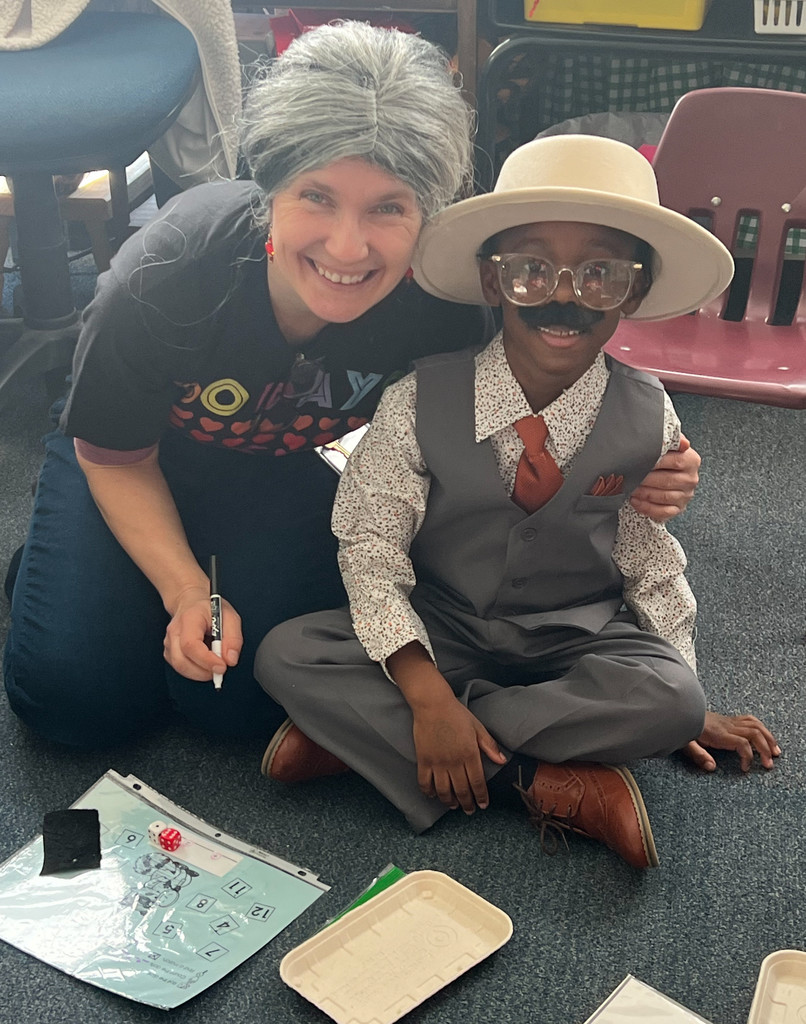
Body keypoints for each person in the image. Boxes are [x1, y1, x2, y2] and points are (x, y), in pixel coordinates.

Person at [3, 24, 698, 750]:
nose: (346, 246)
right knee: (72, 703)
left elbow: (539, 391)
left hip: (280, 472)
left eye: (388, 207)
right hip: (135, 459)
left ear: (426, 213)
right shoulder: (169, 270)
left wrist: (660, 454)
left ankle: (128, 589)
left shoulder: (448, 302)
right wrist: (183, 590)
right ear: (270, 188)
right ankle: (69, 571)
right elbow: (115, 454)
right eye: (316, 196)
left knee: (240, 707)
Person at [255, 135, 780, 869]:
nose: (564, 297)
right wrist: (426, 694)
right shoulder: (418, 399)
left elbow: (649, 556)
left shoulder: (646, 412)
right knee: (287, 653)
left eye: (599, 275)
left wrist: (684, 690)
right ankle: (536, 779)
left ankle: (370, 741)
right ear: (494, 282)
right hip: (444, 624)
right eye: (533, 270)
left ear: (634, 291)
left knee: (671, 700)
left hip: (575, 635)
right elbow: (372, 548)